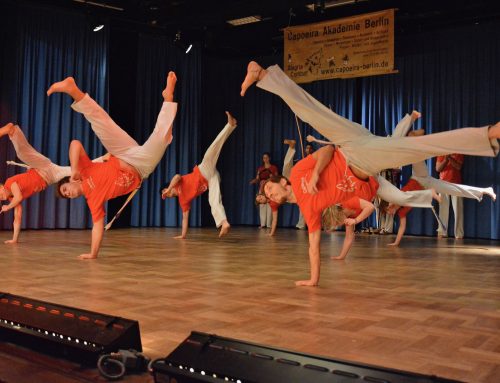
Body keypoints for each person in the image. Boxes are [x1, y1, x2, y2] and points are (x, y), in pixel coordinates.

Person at [241, 61, 500, 286]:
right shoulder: (308, 210)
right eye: (267, 194)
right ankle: (488, 134)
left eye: (268, 189)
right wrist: (314, 279)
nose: (269, 193)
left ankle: (262, 74)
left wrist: (316, 174)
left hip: (348, 142)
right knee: (414, 148)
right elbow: (313, 247)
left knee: (312, 111)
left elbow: (328, 150)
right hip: (364, 159)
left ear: (282, 181)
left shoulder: (298, 173)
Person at [240, 61, 499, 176]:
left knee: (311, 111)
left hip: (359, 143)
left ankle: (262, 74)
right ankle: (262, 74)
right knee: (311, 111)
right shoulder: (389, 156)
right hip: (364, 146)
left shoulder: (352, 192)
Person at [48, 72, 178, 259]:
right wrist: (93, 254)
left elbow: (75, 144)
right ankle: (168, 98)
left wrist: (75, 169)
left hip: (122, 153)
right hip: (140, 167)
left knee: (101, 122)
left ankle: (73, 89)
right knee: (162, 138)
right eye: (66, 196)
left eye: (65, 189)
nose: (68, 193)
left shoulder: (83, 170)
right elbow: (98, 226)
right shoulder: (93, 201)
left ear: (70, 181)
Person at [384, 159, 495, 246]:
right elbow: (401, 228)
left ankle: (413, 137)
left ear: (389, 206)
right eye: (389, 212)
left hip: (418, 176)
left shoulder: (394, 198)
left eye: (388, 210)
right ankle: (485, 190)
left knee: (413, 151)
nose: (390, 213)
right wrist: (396, 243)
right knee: (455, 189)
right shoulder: (401, 213)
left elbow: (389, 197)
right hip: (428, 185)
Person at [161, 112, 236, 238]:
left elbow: (177, 176)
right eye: (167, 195)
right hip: (210, 179)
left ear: (167, 188)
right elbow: (185, 218)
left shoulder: (176, 183)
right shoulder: (182, 200)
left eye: (165, 192)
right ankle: (224, 223)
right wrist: (183, 235)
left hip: (203, 171)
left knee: (212, 150)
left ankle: (230, 125)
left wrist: (168, 188)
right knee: (214, 201)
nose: (167, 194)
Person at [255, 139, 296, 236]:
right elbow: (275, 219)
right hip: (292, 192)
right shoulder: (273, 204)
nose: (261, 197)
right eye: (260, 199)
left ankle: (291, 147)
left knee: (286, 166)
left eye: (259, 196)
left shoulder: (266, 189)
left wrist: (279, 180)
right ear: (263, 202)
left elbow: (272, 180)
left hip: (285, 182)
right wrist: (271, 233)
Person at [436, 154, 465, 238]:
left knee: (458, 209)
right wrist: (445, 160)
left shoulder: (459, 153)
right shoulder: (441, 153)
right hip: (443, 183)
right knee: (443, 209)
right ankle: (442, 232)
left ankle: (459, 234)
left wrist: (449, 158)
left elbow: (458, 167)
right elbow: (438, 169)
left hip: (456, 184)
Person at [250, 152, 278, 228]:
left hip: (270, 188)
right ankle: (262, 224)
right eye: (264, 158)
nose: (265, 159)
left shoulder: (273, 168)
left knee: (269, 205)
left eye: (266, 157)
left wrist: (272, 177)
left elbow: (277, 178)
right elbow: (257, 178)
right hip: (262, 188)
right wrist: (254, 181)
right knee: (262, 204)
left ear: (269, 158)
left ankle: (269, 224)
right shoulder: (260, 168)